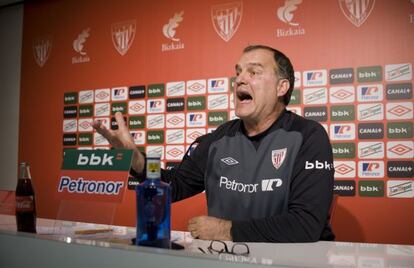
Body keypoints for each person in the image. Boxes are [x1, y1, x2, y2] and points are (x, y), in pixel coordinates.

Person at [93, 45, 335, 242]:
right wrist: (135, 159)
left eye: (253, 72)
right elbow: (174, 185)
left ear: (282, 87)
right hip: (229, 263)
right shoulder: (219, 138)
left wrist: (226, 231)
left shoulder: (308, 136)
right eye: (238, 72)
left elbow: (306, 224)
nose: (240, 79)